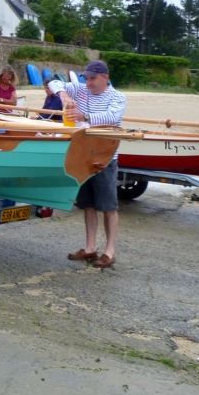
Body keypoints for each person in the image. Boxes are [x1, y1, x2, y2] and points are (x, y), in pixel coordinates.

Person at [48, 60, 126, 269]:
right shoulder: (80, 90)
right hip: (82, 155)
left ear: (105, 77)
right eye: (87, 78)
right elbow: (53, 83)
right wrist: (63, 95)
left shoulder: (118, 97)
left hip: (104, 157)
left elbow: (112, 117)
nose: (89, 82)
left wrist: (85, 115)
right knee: (88, 205)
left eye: (93, 78)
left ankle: (110, 251)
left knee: (109, 206)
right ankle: (90, 247)